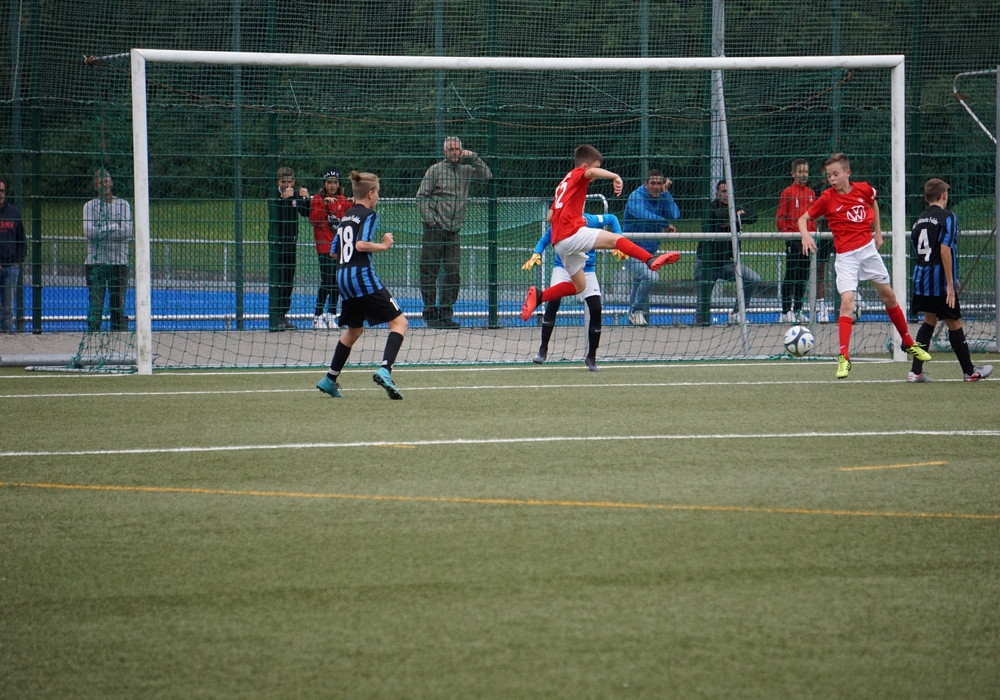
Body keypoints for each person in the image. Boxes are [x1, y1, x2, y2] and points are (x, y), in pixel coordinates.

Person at [798, 152, 931, 379]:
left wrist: (878, 232)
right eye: (829, 175)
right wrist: (805, 235)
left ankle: (908, 342)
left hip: (868, 251)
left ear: (847, 173)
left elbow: (873, 202)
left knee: (889, 296)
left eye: (835, 174)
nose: (832, 179)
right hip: (846, 257)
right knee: (847, 302)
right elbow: (803, 219)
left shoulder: (863, 189)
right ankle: (844, 357)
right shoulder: (827, 198)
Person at [520, 144, 680, 323]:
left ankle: (539, 296)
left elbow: (550, 217)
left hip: (560, 244)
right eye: (596, 167)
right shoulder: (578, 174)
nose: (596, 172)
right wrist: (615, 176)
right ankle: (650, 260)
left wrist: (572, 215)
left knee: (579, 286)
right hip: (570, 234)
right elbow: (591, 173)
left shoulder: (563, 184)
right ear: (585, 166)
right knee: (615, 239)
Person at [316, 171, 408, 400]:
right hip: (361, 277)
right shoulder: (369, 215)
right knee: (399, 323)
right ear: (370, 193)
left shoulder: (346, 215)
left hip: (342, 278)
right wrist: (383, 245)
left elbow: (333, 251)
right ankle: (385, 370)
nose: (378, 197)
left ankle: (329, 379)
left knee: (354, 330)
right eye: (378, 193)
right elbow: (360, 245)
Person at [907, 178, 992, 383]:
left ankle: (915, 372)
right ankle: (969, 371)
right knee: (954, 322)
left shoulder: (918, 221)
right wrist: (950, 284)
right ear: (944, 195)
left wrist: (952, 277)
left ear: (926, 198)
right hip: (938, 282)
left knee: (929, 320)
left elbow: (918, 251)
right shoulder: (948, 217)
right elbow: (944, 250)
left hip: (921, 279)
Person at [523, 212, 623, 371]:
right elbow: (544, 240)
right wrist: (536, 254)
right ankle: (543, 349)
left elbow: (612, 218)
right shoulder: (561, 223)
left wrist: (619, 239)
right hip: (563, 268)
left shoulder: (591, 220)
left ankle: (591, 357)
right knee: (554, 301)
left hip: (587, 270)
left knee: (596, 308)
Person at [415, 136, 492, 328]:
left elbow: (487, 175)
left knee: (453, 272)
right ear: (445, 152)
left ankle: (445, 314)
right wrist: (431, 220)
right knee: (429, 271)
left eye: (458, 149)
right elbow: (421, 196)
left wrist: (473, 156)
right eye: (451, 149)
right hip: (435, 228)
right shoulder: (435, 170)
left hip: (454, 230)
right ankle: (430, 314)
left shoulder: (466, 170)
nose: (455, 153)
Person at [695, 180, 760, 325]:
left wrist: (734, 216)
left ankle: (736, 313)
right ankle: (700, 325)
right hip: (706, 263)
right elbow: (717, 216)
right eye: (723, 191)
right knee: (702, 304)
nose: (726, 195)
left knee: (752, 278)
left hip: (725, 263)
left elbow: (753, 216)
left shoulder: (735, 206)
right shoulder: (710, 207)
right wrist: (736, 216)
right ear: (717, 193)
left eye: (729, 192)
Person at [622, 169, 681, 325]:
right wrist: (665, 224)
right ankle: (636, 311)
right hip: (630, 249)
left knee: (638, 283)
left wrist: (666, 193)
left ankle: (631, 318)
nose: (656, 187)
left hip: (648, 252)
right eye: (653, 183)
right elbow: (644, 215)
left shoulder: (661, 196)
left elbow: (675, 214)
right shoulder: (636, 197)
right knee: (650, 277)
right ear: (646, 184)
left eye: (659, 183)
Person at [777, 158, 829, 323]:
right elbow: (780, 218)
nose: (803, 175)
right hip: (793, 240)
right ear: (793, 173)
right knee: (791, 274)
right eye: (800, 172)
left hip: (808, 240)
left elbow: (813, 217)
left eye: (806, 172)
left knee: (803, 275)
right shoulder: (787, 193)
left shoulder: (811, 193)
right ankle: (785, 311)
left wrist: (812, 235)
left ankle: (798, 309)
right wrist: (788, 235)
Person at [83, 169, 132, 332]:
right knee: (96, 305)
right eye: (100, 182)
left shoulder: (123, 205)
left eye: (107, 181)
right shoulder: (89, 206)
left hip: (119, 262)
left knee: (118, 305)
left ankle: (119, 334)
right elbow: (90, 233)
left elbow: (127, 232)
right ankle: (93, 334)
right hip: (96, 263)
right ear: (96, 186)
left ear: (111, 183)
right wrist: (113, 226)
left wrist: (101, 231)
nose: (104, 185)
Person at [307, 169, 351, 330]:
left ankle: (332, 314)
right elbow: (314, 220)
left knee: (337, 282)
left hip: (339, 246)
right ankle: (317, 315)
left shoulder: (343, 200)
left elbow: (349, 218)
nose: (332, 186)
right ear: (324, 184)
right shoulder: (318, 199)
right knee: (327, 280)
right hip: (324, 246)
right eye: (329, 182)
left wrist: (354, 203)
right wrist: (324, 206)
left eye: (335, 182)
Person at [268, 166, 309, 332]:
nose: (286, 185)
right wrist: (283, 200)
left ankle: (283, 315)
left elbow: (306, 212)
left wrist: (306, 198)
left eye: (289, 181)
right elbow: (276, 215)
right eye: (283, 182)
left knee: (288, 281)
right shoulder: (274, 196)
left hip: (291, 244)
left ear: (294, 181)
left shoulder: (295, 195)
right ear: (278, 182)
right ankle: (275, 316)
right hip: (277, 245)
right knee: (277, 280)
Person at [0, 178, 27, 334]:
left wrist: (18, 262)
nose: (0, 194)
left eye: (2, 191)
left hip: (11, 267)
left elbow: (21, 239)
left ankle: (7, 338)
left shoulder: (14, 212)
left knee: (7, 309)